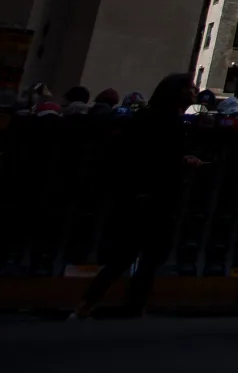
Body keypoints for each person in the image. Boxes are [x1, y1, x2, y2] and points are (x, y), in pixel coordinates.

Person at [75, 74, 199, 319]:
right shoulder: (163, 121)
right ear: (178, 93)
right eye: (191, 89)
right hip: (151, 195)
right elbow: (149, 158)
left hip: (147, 194)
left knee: (133, 255)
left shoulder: (152, 118)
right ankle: (113, 305)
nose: (195, 92)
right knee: (136, 255)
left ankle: (100, 304)